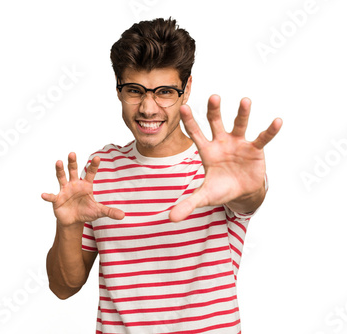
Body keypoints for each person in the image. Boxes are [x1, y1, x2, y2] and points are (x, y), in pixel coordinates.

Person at [43, 17, 282, 334]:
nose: (147, 108)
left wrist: (250, 191)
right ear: (119, 90)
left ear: (186, 90)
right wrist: (69, 225)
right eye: (134, 90)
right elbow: (64, 288)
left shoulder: (216, 168)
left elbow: (248, 197)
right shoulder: (100, 168)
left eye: (165, 91)